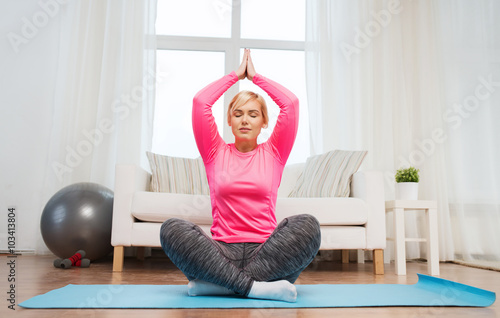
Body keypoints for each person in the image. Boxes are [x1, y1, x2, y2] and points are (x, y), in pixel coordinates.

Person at [160, 49, 321, 303]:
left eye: (253, 114)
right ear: (230, 121)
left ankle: (221, 285)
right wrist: (235, 76)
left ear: (264, 122)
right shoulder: (214, 151)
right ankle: (255, 289)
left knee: (309, 225)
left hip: (267, 254)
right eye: (238, 114)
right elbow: (201, 102)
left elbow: (290, 104)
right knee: (170, 229)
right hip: (221, 252)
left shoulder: (275, 152)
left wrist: (255, 78)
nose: (245, 120)